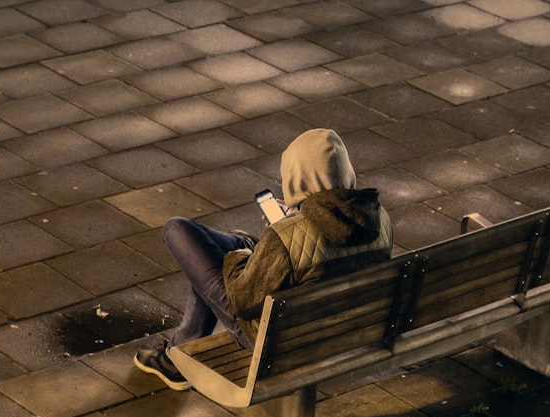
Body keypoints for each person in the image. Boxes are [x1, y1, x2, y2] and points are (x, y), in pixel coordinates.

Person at [134, 128, 394, 390]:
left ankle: (175, 359)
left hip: (277, 341)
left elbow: (244, 302)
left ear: (297, 177)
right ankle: (177, 353)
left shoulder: (285, 236)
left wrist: (242, 256)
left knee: (178, 229)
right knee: (224, 253)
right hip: (344, 331)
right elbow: (327, 251)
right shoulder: (380, 221)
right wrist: (296, 219)